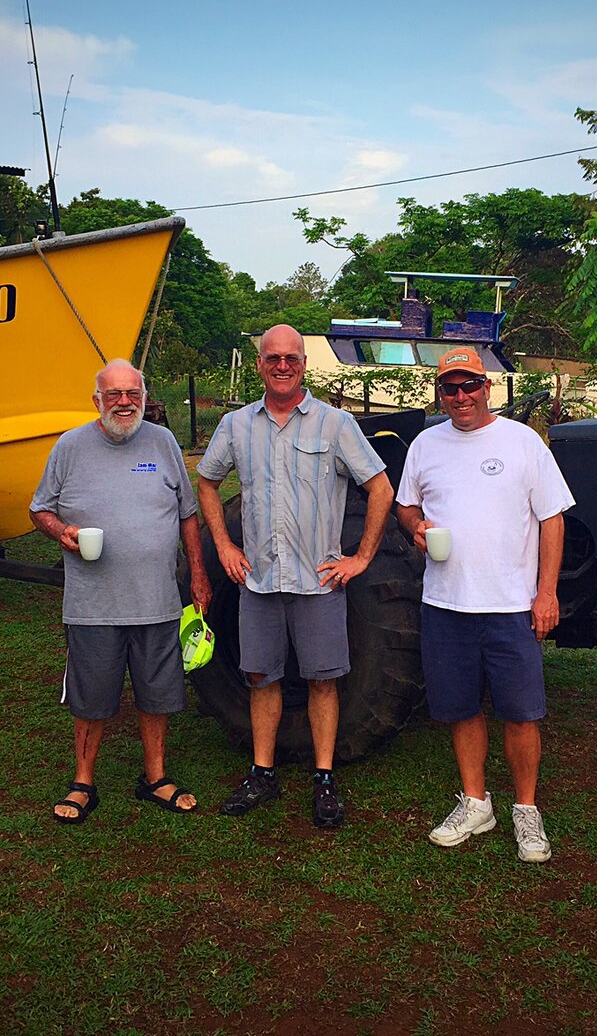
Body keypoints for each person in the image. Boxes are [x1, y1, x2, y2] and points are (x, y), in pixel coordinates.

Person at [197, 324, 393, 828]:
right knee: (262, 679)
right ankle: (262, 773)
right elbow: (207, 482)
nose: (282, 366)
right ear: (259, 364)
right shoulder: (236, 426)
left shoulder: (336, 425)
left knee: (322, 683)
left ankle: (324, 779)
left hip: (318, 583)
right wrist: (223, 544)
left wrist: (362, 557)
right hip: (258, 584)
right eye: (272, 358)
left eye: (291, 358)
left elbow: (380, 488)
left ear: (304, 364)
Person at [394, 347, 574, 863]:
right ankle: (476, 802)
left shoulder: (523, 443)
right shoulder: (427, 444)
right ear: (440, 393)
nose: (461, 396)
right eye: (450, 388)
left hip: (511, 605)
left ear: (486, 386)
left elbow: (552, 519)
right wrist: (416, 528)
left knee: (521, 712)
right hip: (446, 604)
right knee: (460, 707)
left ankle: (525, 809)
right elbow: (407, 505)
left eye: (469, 385)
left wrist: (546, 592)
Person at [30, 359, 212, 824]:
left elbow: (187, 513)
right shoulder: (70, 447)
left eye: (134, 393)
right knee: (91, 697)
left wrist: (197, 574)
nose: (125, 403)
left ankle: (155, 777)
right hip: (93, 605)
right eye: (114, 395)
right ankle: (83, 781)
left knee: (158, 693)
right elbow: (39, 510)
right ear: (97, 401)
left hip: (156, 601)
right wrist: (62, 532)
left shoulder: (164, 442)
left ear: (145, 398)